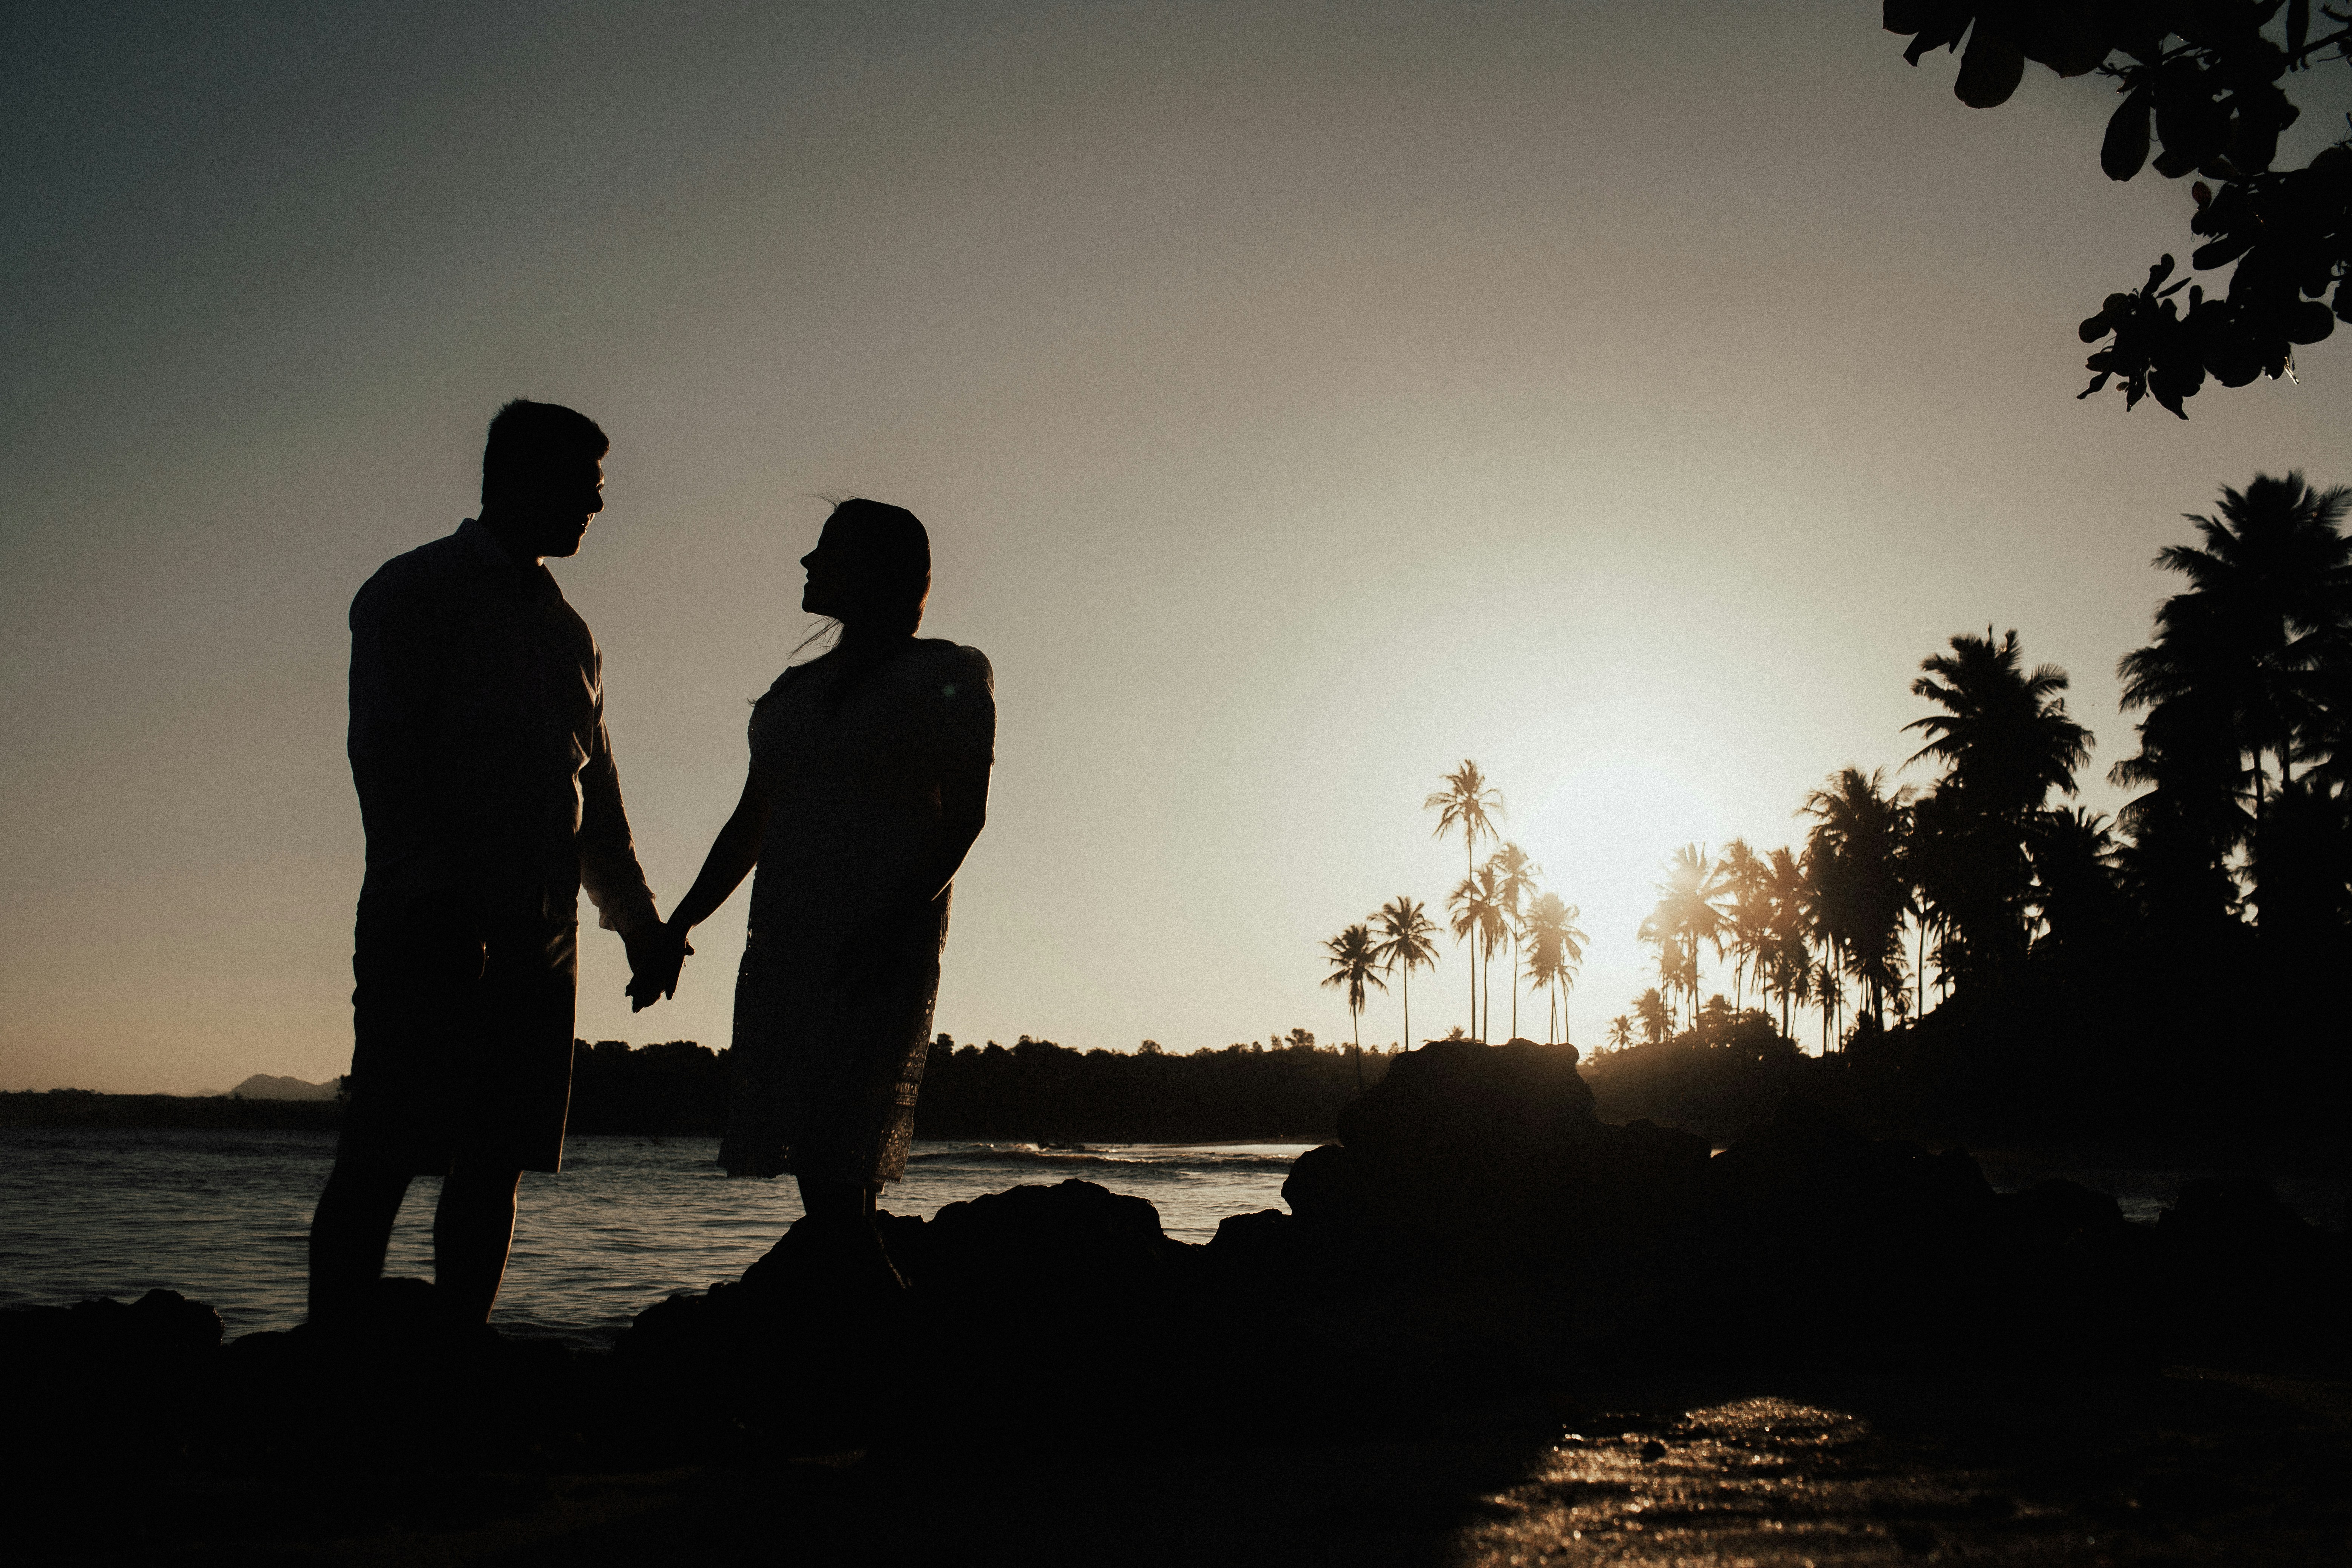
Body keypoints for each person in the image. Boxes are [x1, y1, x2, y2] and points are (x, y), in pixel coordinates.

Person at [307, 400, 672, 1326]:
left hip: (541, 935)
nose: (597, 504)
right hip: (428, 919)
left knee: (497, 1157)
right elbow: (383, 758)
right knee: (386, 1146)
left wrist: (638, 926)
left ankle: (459, 1350)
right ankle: (331, 1360)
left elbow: (596, 803)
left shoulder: (571, 633)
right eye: (584, 485)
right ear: (518, 478)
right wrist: (436, 896)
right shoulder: (412, 592)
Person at [637, 498, 993, 1286]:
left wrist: (893, 924)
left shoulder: (947, 673)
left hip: (877, 945)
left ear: (878, 570)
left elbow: (964, 820)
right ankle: (861, 1342)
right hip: (789, 943)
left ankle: (879, 1337)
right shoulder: (795, 693)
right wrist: (679, 925)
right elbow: (750, 824)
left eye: (826, 550)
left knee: (842, 1160)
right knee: (826, 1178)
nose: (806, 564)